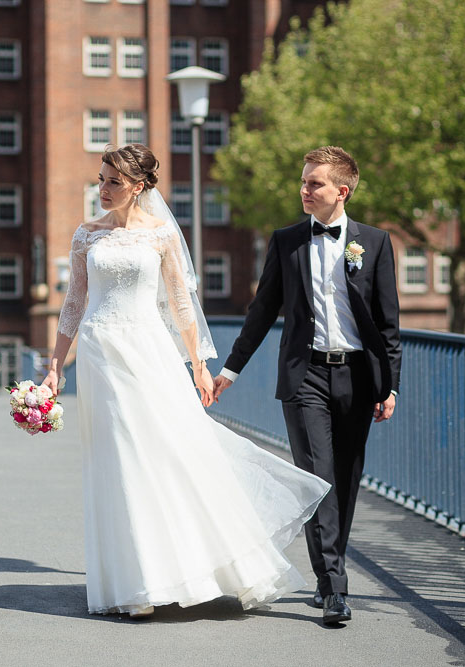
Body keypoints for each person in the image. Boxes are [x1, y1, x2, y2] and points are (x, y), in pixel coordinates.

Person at [42, 144, 331, 619]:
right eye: (101, 179)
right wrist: (55, 367)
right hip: (98, 356)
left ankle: (211, 563)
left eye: (114, 181)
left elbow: (180, 303)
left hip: (148, 352)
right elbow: (74, 301)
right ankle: (135, 583)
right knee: (115, 460)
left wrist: (198, 364)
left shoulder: (159, 236)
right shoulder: (85, 235)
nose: (103, 189)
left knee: (171, 451)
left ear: (138, 187)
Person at [213, 146, 402, 625]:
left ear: (342, 191)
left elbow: (387, 324)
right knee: (319, 480)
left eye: (314, 183)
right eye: (303, 181)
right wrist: (229, 370)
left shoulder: (375, 243)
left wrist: (389, 387)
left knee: (346, 480)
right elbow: (261, 312)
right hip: (305, 376)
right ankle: (336, 587)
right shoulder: (287, 241)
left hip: (359, 376)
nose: (304, 190)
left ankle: (325, 577)